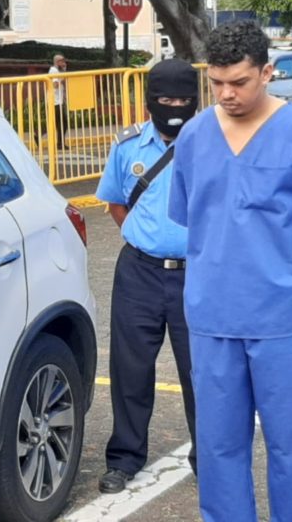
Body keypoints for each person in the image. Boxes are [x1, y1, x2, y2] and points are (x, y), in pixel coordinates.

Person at [168, 19, 292, 521]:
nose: (227, 94)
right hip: (212, 316)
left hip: (283, 319)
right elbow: (196, 216)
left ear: (267, 72)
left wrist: (280, 257)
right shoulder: (193, 136)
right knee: (218, 448)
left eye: (240, 82)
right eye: (216, 84)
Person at [95, 58, 200, 494]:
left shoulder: (212, 145)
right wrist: (146, 239)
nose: (173, 106)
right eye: (165, 99)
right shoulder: (128, 147)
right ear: (150, 100)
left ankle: (209, 460)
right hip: (138, 271)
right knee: (130, 368)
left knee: (202, 373)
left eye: (182, 99)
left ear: (195, 99)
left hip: (198, 275)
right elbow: (117, 203)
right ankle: (124, 458)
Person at [49, 53, 68, 149]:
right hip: (55, 101)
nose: (64, 63)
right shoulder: (54, 71)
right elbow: (55, 85)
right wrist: (61, 78)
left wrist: (64, 71)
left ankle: (60, 143)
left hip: (59, 100)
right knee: (61, 123)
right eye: (62, 61)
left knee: (60, 123)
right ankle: (60, 144)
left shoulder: (58, 71)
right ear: (57, 62)